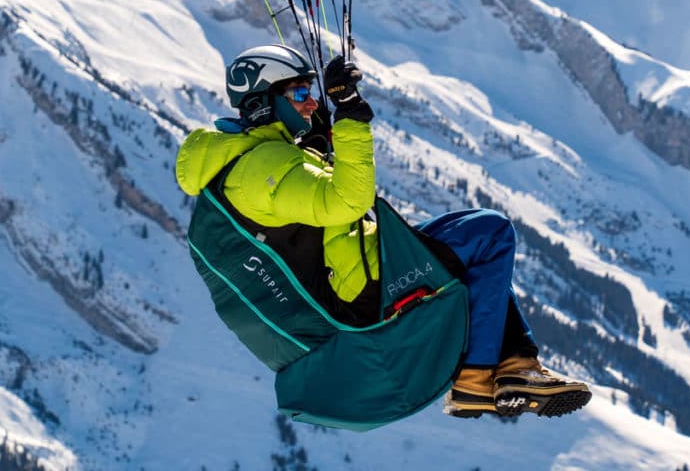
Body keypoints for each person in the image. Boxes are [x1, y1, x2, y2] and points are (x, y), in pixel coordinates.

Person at [175, 44, 592, 419]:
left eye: (310, 92)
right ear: (264, 104)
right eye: (300, 93)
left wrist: (315, 149)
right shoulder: (261, 166)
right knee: (489, 234)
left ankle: (517, 366)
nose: (312, 102)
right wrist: (350, 119)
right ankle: (478, 378)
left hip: (353, 268)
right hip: (362, 290)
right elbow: (347, 202)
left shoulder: (255, 160)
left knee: (467, 241)